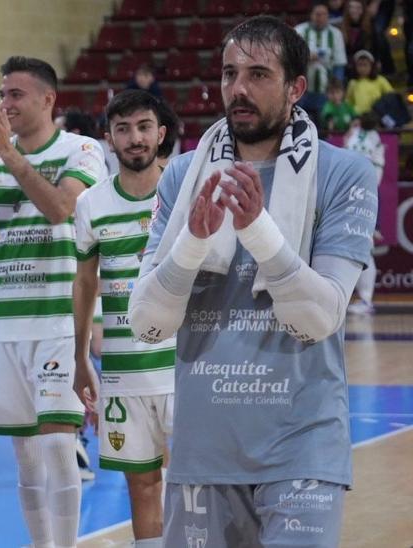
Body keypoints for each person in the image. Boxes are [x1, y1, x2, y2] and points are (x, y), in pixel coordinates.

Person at [128, 16, 377, 547]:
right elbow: (146, 323)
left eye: (259, 74)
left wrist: (258, 231)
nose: (238, 88)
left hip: (302, 448)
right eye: (229, 73)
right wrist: (192, 244)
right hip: (204, 451)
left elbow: (320, 316)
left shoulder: (344, 173)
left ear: (295, 89)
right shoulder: (183, 175)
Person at [0, 56, 106, 548]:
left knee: (58, 447)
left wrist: (12, 161)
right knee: (27, 458)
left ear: (47, 100)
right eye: (2, 93)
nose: (4, 103)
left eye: (15, 94)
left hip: (57, 318)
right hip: (6, 324)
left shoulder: (82, 149)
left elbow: (62, 208)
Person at [72, 90, 176, 548]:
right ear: (109, 139)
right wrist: (80, 359)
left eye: (143, 126)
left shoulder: (184, 191)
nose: (134, 138)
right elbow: (85, 284)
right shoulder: (92, 204)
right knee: (142, 484)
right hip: (123, 373)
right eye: (123, 129)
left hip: (183, 369)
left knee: (199, 486)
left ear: (161, 133)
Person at [344, 111, 384, 316]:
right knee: (350, 247)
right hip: (347, 195)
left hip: (364, 196)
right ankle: (353, 297)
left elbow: (376, 174)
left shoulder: (376, 141)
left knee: (365, 248)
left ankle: (366, 300)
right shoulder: (354, 134)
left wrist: (366, 195)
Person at [343, 49, 392, 114]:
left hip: (377, 114)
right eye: (360, 65)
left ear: (371, 66)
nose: (362, 69)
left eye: (365, 65)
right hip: (359, 115)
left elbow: (390, 96)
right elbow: (348, 101)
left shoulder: (380, 80)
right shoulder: (353, 83)